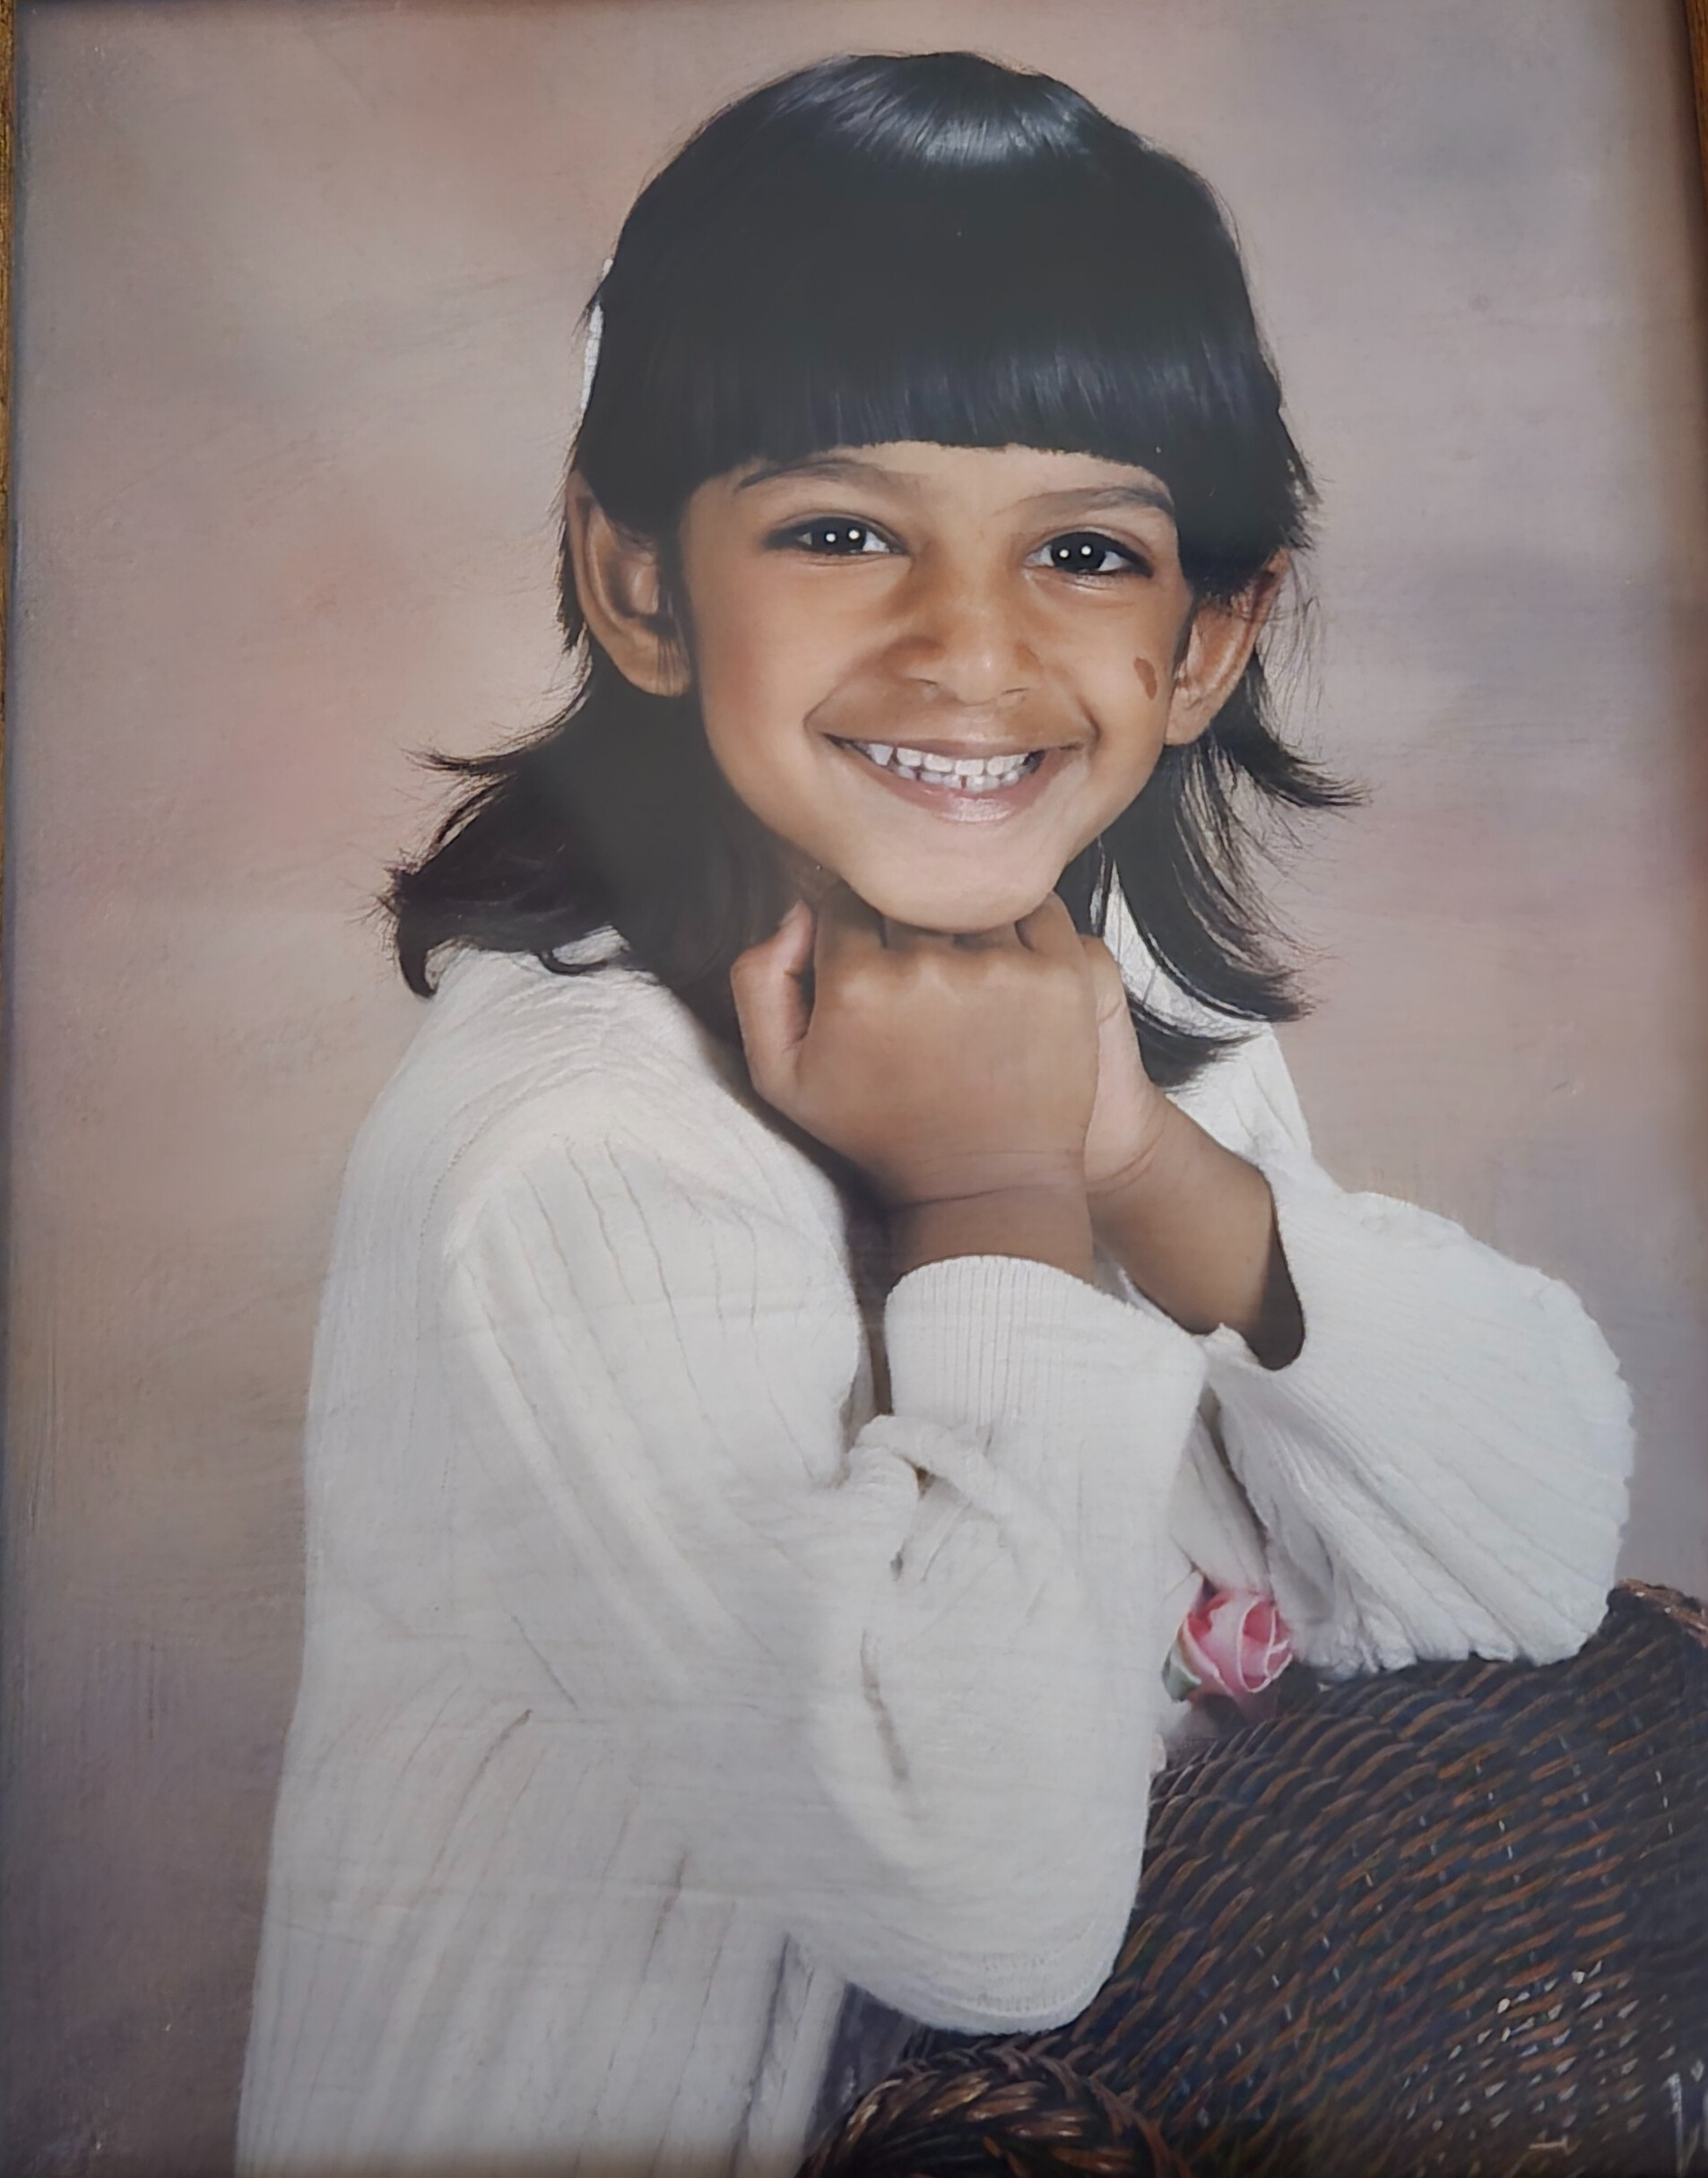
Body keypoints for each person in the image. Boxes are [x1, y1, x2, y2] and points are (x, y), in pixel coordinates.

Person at [236, 50, 1634, 2178]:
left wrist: (1136, 1166)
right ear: (636, 586)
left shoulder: (1109, 1002)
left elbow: (1531, 1560)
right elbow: (980, 1903)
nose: (964, 649)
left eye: (1081, 546)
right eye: (838, 528)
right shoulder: (585, 1156)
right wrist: (984, 1199)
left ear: (1202, 641)